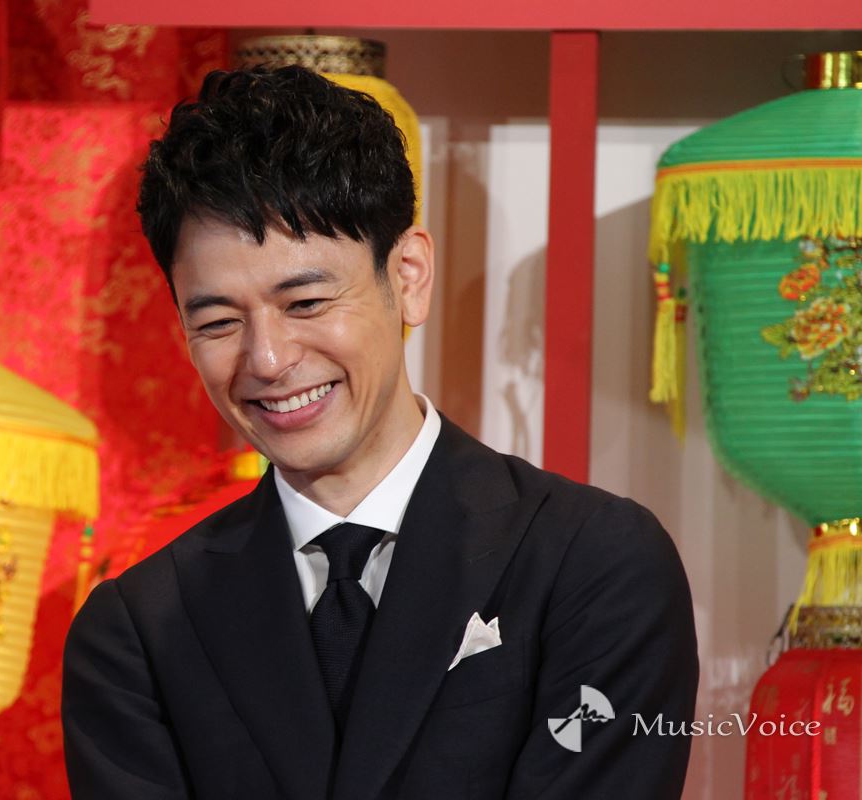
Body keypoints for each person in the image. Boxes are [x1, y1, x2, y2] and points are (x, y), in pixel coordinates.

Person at [62, 65, 698, 800]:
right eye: (218, 322)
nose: (267, 360)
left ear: (409, 276)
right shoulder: (138, 631)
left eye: (305, 302)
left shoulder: (594, 564)